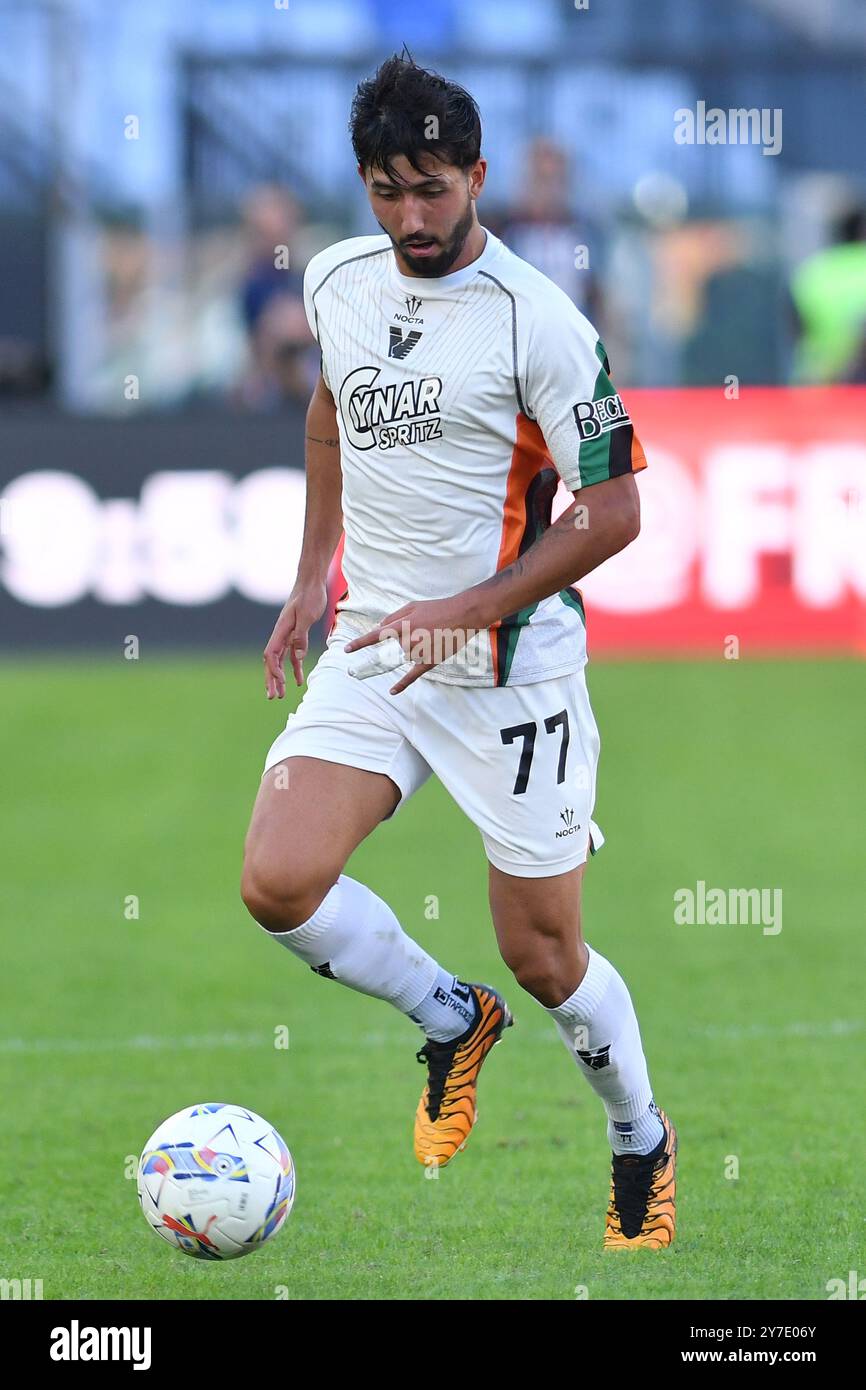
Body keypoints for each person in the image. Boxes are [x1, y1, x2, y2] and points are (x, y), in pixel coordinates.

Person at [241, 53, 676, 1250]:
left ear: (477, 176)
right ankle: (448, 1019)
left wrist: (473, 610)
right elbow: (330, 410)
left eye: (432, 187)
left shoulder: (543, 322)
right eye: (387, 189)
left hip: (508, 668)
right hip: (380, 645)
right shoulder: (333, 278)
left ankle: (638, 1135)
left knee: (544, 955)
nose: (411, 216)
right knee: (276, 882)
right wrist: (305, 576)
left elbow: (615, 510)